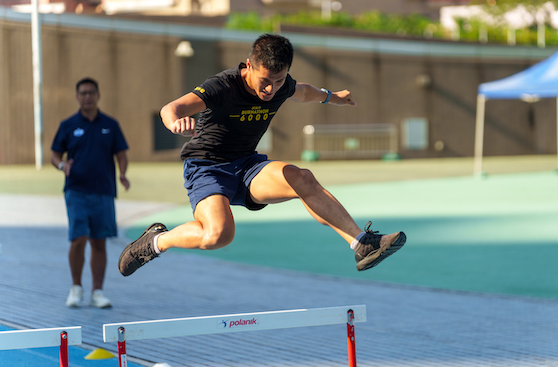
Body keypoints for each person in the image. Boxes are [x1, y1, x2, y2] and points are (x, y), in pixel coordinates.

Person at [118, 34, 405, 277]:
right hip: (207, 167)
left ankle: (361, 244)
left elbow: (304, 92)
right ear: (249, 65)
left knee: (301, 178)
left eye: (278, 81)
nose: (270, 89)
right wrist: (176, 123)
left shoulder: (283, 85)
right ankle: (156, 241)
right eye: (264, 81)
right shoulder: (223, 85)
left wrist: (331, 96)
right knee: (218, 235)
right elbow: (172, 108)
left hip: (246, 166)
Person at [51, 77, 130, 308]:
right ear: (77, 97)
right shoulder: (68, 125)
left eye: (91, 93)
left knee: (99, 242)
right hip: (76, 191)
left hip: (103, 192)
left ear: (98, 95)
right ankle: (76, 288)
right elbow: (55, 153)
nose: (87, 97)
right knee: (78, 239)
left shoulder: (111, 125)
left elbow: (122, 154)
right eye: (83, 93)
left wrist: (122, 174)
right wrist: (61, 165)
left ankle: (98, 291)